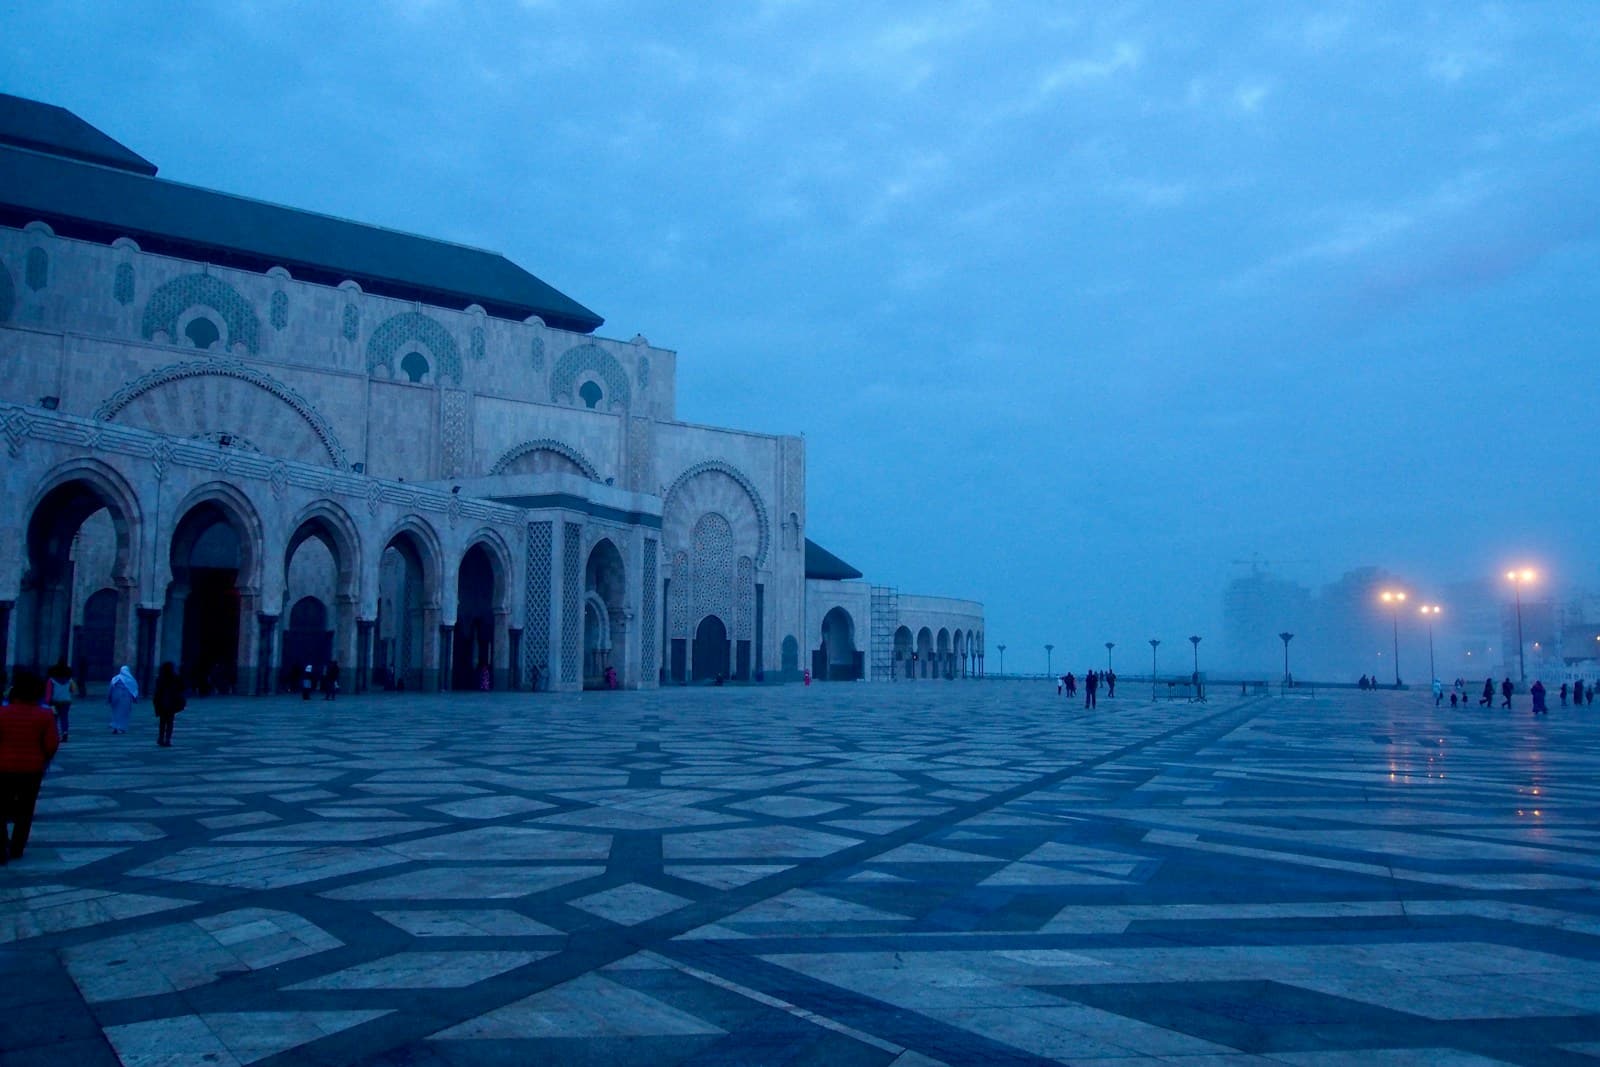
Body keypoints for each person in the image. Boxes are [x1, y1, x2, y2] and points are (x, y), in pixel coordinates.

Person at [0, 669, 61, 864]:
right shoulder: (44, 715)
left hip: (3, 767)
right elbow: (52, 743)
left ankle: (1, 846)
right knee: (25, 810)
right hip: (32, 769)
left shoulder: (2, 713)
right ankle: (17, 847)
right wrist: (43, 758)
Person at [152, 662, 186, 746]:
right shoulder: (175, 677)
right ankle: (167, 739)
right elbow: (182, 687)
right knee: (170, 721)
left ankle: (161, 738)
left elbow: (157, 691)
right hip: (172, 702)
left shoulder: (160, 678)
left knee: (162, 722)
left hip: (162, 702)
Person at [46, 661, 74, 742]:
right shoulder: (69, 680)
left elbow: (48, 692)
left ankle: (54, 734)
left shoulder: (51, 681)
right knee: (64, 718)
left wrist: (47, 703)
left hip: (55, 702)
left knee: (54, 719)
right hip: (66, 701)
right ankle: (65, 732)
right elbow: (72, 690)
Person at [108, 665, 137, 733]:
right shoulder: (131, 679)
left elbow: (111, 688)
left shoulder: (115, 678)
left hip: (115, 697)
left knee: (115, 712)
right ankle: (121, 727)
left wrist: (109, 698)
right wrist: (134, 698)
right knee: (124, 713)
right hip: (126, 699)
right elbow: (134, 690)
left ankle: (115, 726)